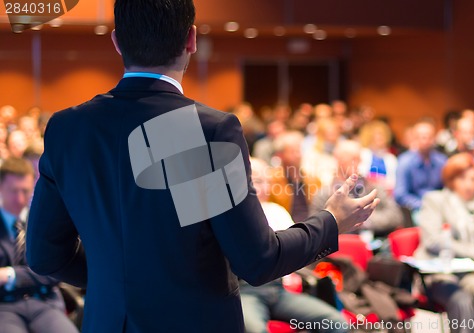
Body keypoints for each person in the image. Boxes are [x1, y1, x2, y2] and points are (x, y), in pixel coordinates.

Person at [25, 1, 379, 333]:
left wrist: (117, 276)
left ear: (117, 42)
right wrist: (330, 221)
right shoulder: (204, 131)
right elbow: (257, 260)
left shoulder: (68, 128)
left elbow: (44, 256)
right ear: (191, 38)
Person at [240, 158, 347, 333]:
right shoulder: (233, 219)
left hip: (277, 290)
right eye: (257, 182)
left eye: (267, 182)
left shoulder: (276, 211)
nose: (265, 188)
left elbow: (297, 250)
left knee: (336, 323)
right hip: (246, 292)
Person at [415, 153, 474, 333]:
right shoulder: (435, 200)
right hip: (439, 272)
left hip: (472, 272)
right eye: (462, 178)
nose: (468, 184)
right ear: (451, 179)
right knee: (461, 299)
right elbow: (433, 240)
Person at [0, 158, 78, 333]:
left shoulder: (43, 220)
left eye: (25, 191)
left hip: (44, 301)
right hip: (4, 306)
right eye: (13, 191)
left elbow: (55, 272)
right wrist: (31, 274)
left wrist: (10, 274)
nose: (20, 199)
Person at [310, 140, 403, 237]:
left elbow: (396, 217)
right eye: (352, 158)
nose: (357, 162)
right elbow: (317, 228)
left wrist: (365, 220)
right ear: (338, 159)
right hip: (342, 247)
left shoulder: (373, 187)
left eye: (358, 158)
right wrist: (349, 221)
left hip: (376, 243)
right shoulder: (324, 194)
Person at [394, 119, 447, 215]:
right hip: (415, 209)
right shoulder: (404, 161)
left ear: (434, 138)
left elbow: (447, 188)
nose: (426, 140)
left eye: (429, 137)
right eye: (422, 137)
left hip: (439, 207)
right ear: (415, 138)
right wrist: (422, 205)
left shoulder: (442, 161)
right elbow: (400, 194)